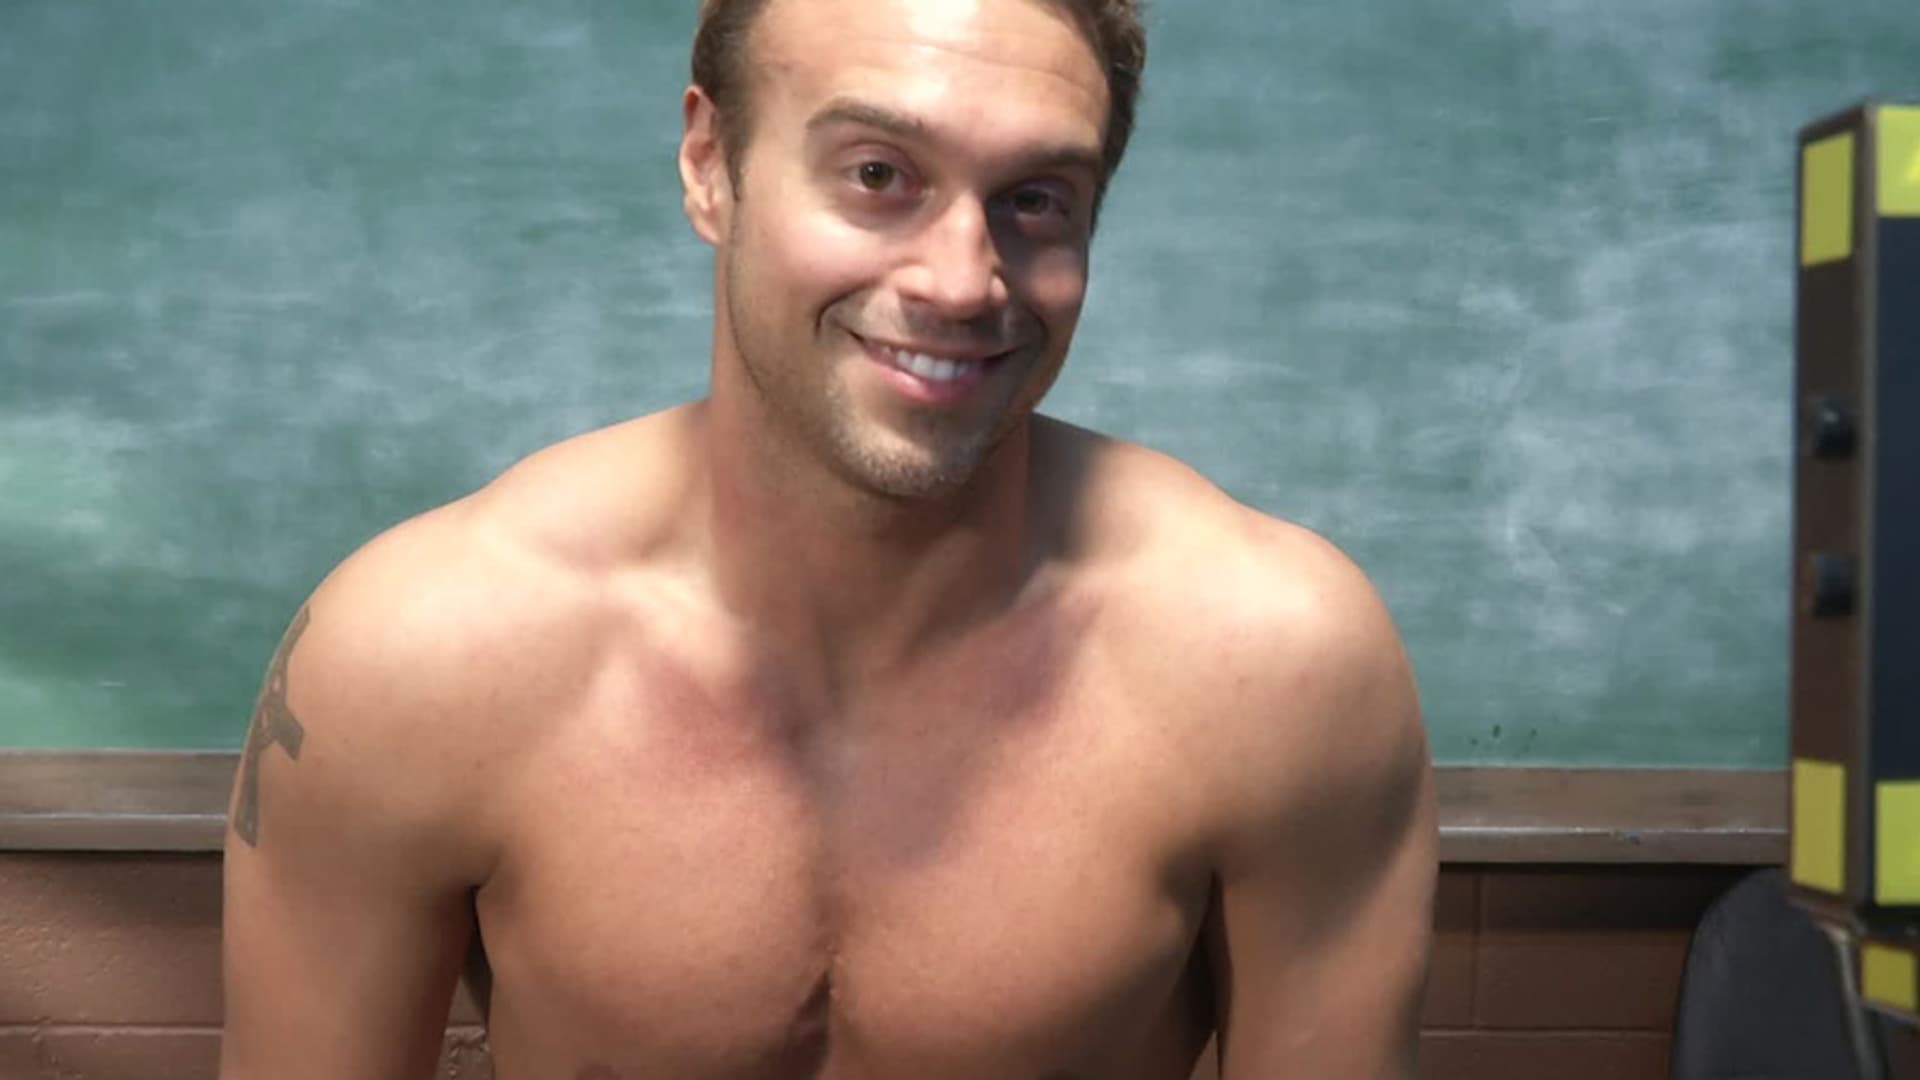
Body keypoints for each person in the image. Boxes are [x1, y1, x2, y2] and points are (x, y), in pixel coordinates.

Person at [218, 0, 1437, 1076]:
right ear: (711, 164)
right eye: (878, 174)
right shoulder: (417, 656)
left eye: (1034, 199)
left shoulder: (1276, 665)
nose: (962, 280)